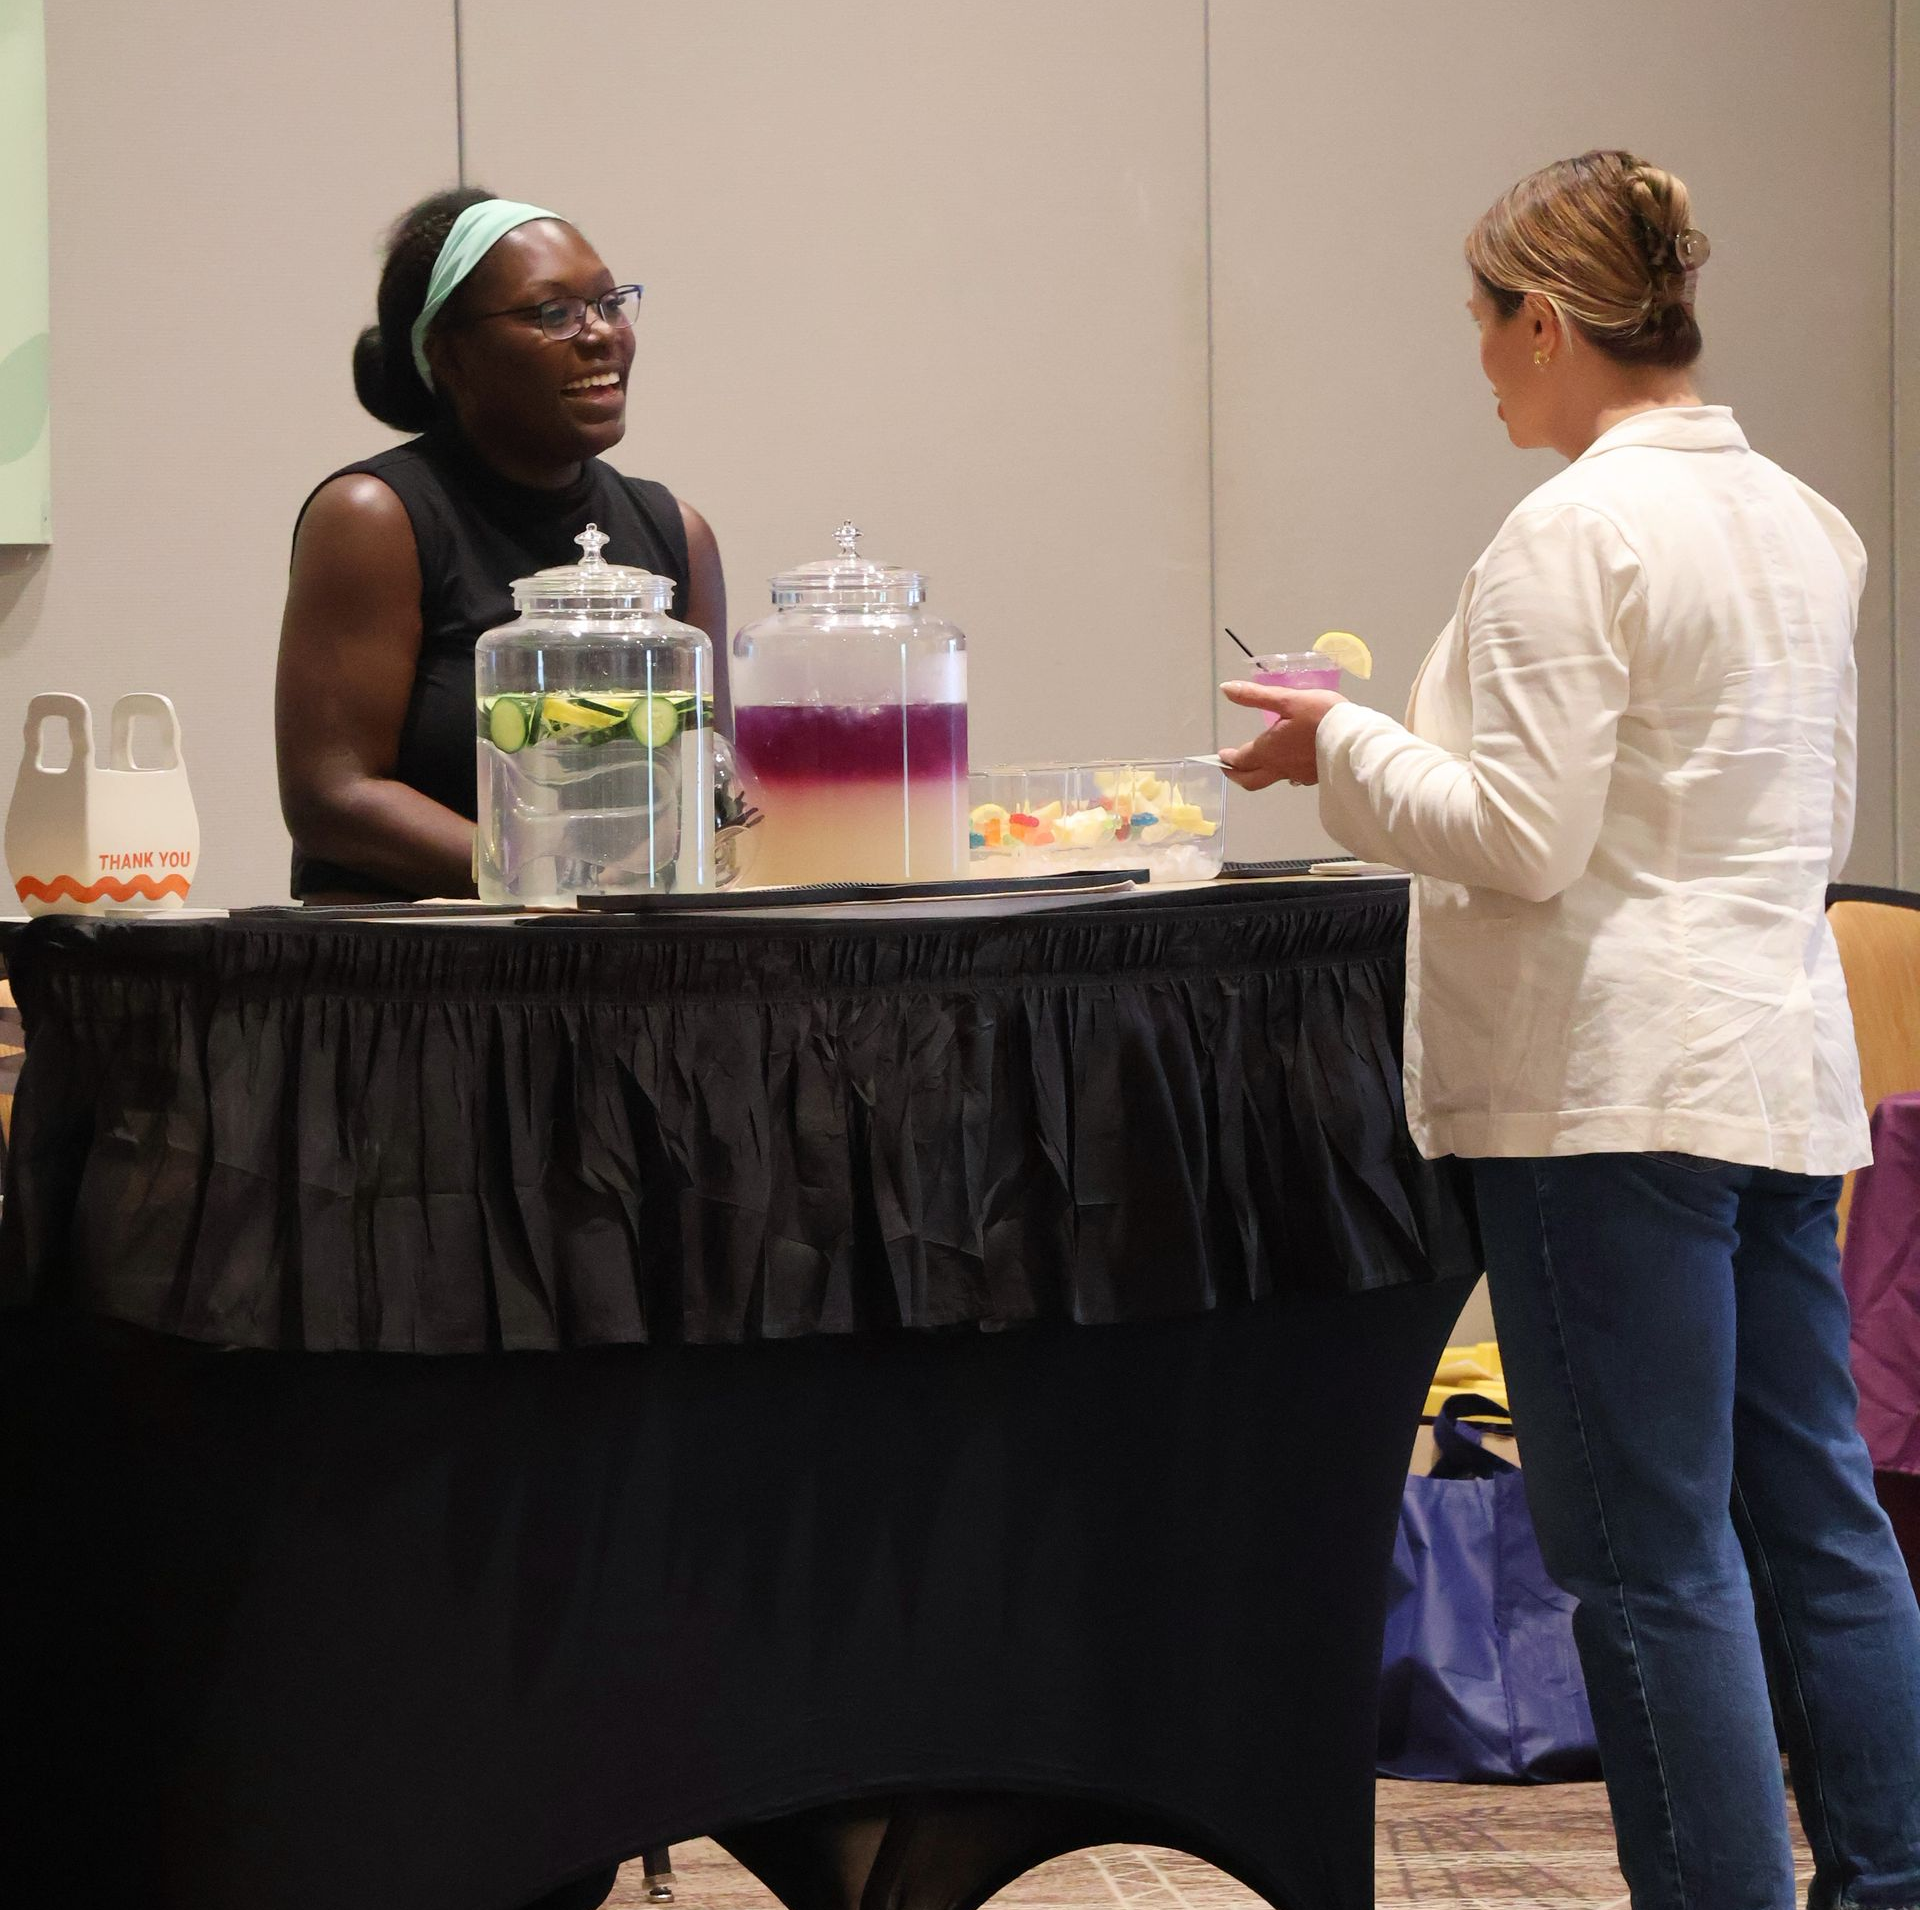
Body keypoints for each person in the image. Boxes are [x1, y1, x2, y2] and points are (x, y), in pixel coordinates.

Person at [1220, 150, 1920, 1909]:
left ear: (1547, 321)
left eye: (1481, 324)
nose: (1477, 364)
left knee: (1646, 1559)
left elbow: (1521, 838)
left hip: (1605, 1100)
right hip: (1770, 1069)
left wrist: (1338, 746)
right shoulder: (1805, 520)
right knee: (1818, 1525)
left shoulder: (1575, 528)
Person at [276, 189, 726, 901]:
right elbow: (334, 797)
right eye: (554, 313)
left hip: (628, 970)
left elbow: (709, 784)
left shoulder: (677, 531)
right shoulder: (375, 518)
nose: (600, 332)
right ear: (449, 355)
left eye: (610, 303)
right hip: (413, 981)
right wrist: (554, 887)